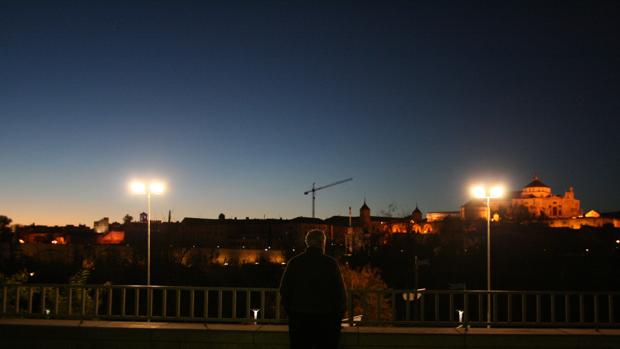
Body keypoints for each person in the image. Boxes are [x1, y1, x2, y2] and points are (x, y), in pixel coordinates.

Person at [279, 229, 347, 349]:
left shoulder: (295, 263)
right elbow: (340, 294)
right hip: (326, 320)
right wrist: (337, 317)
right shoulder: (330, 264)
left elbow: (284, 290)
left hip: (299, 320)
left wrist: (292, 312)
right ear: (323, 243)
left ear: (307, 243)